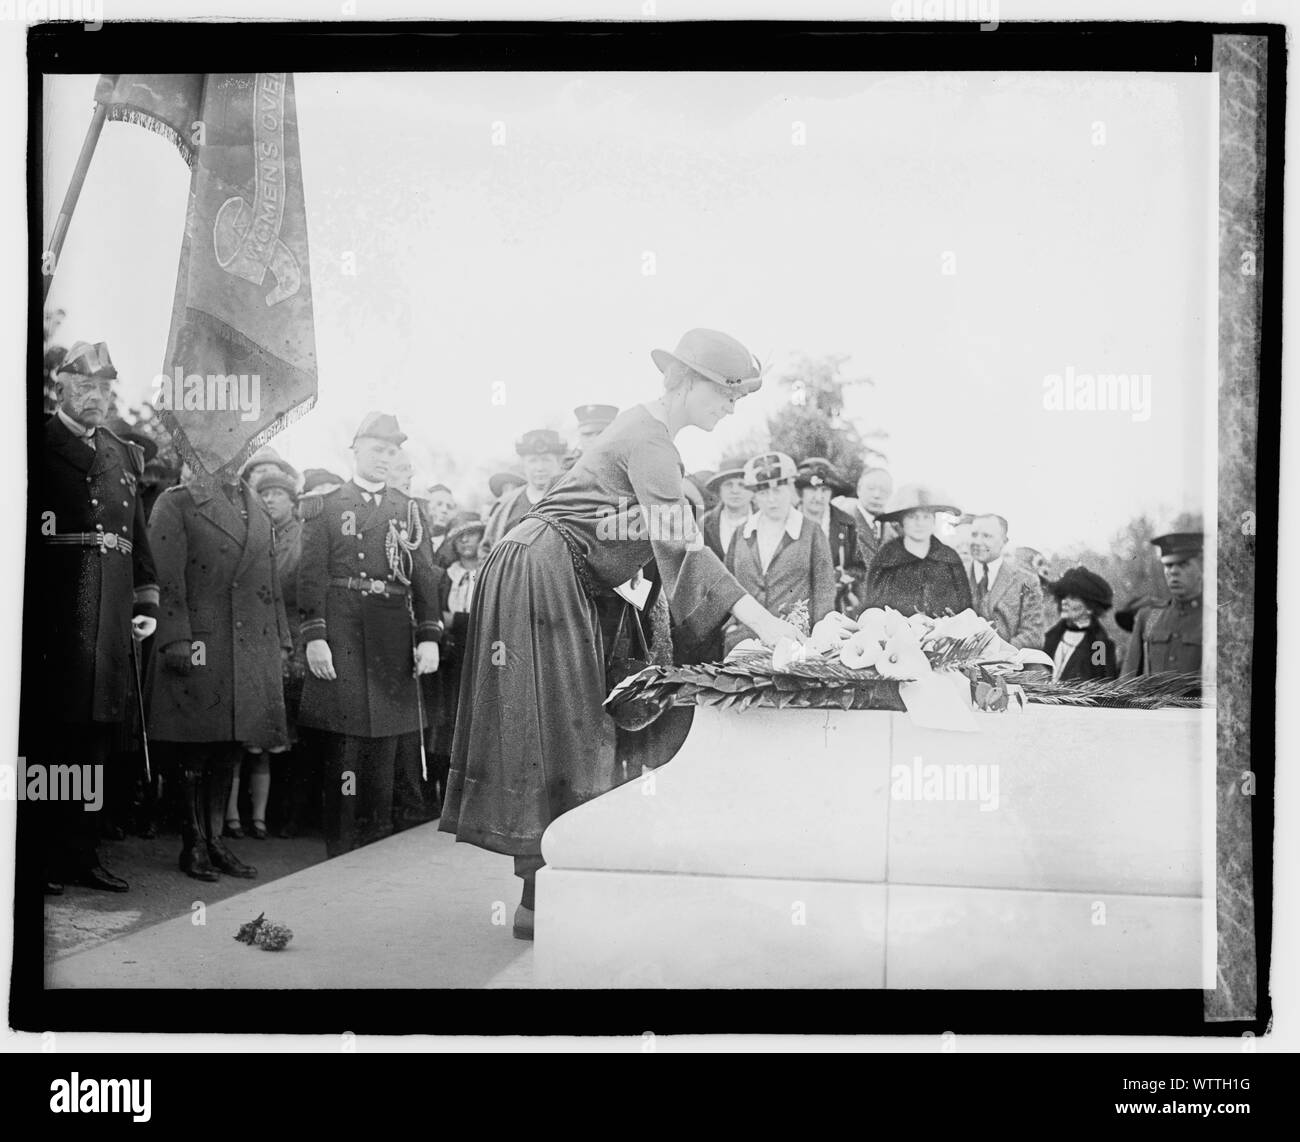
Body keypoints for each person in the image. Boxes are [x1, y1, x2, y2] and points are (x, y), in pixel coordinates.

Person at [440, 328, 804, 941]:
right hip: (543, 571)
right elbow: (683, 547)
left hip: (552, 571)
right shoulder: (650, 440)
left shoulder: (648, 437)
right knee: (561, 727)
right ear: (686, 382)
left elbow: (653, 542)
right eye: (726, 392)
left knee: (568, 726)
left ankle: (548, 891)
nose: (731, 405)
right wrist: (771, 627)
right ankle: (543, 898)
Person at [23, 341, 159, 894]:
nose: (96, 397)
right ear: (60, 387)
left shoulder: (124, 454)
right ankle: (40, 858)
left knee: (97, 740)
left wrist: (146, 601)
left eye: (104, 388)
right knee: (49, 739)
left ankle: (83, 853)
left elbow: (138, 538)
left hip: (109, 618)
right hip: (52, 613)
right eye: (85, 387)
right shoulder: (35, 439)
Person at [296, 413, 445, 858]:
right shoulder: (326, 506)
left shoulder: (409, 509)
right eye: (376, 449)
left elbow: (426, 579)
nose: (384, 458)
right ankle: (340, 850)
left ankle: (376, 845)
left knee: (387, 745)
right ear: (356, 449)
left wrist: (430, 636)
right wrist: (314, 636)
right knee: (346, 746)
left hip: (393, 633)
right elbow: (310, 576)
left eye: (391, 451)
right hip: (341, 630)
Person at [148, 461, 292, 882]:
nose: (230, 458)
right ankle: (193, 843)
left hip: (250, 645)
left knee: (229, 747)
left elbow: (270, 580)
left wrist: (280, 637)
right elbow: (166, 578)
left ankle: (215, 841)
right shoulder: (177, 503)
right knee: (194, 746)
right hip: (200, 641)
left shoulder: (256, 506)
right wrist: (174, 637)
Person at [224, 470, 306, 839]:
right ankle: (236, 815)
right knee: (243, 734)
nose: (270, 500)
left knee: (277, 735)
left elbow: (284, 578)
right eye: (265, 494)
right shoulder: (252, 530)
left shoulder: (298, 538)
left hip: (285, 637)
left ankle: (274, 816)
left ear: (292, 501)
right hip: (250, 636)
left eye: (278, 494)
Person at [722, 452, 836, 655]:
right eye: (763, 492)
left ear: (791, 488)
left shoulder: (811, 532)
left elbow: (824, 593)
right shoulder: (741, 533)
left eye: (778, 490)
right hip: (743, 645)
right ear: (754, 495)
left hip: (794, 645)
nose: (771, 499)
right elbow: (725, 584)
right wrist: (730, 627)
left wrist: (818, 643)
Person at [430, 511, 487, 814]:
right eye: (459, 536)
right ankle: (444, 795)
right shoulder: (445, 575)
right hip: (450, 658)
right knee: (448, 723)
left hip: (481, 655)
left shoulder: (492, 571)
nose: (466, 541)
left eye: (472, 534)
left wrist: (458, 620)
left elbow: (490, 616)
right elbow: (437, 615)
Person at [863, 484, 972, 617]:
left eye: (926, 517)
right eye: (912, 517)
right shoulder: (885, 559)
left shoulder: (949, 558)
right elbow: (873, 611)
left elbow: (965, 611)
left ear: (933, 521)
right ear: (902, 522)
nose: (920, 523)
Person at [1120, 531, 1204, 690]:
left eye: (1184, 564)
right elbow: (1126, 682)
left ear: (1202, 567)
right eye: (1168, 565)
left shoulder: (1217, 620)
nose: (1173, 571)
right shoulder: (1149, 616)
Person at [795, 458, 864, 616]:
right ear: (801, 491)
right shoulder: (786, 520)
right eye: (813, 490)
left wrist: (844, 575)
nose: (818, 497)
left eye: (824, 490)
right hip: (792, 602)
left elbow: (859, 567)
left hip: (834, 605)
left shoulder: (846, 524)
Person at [967, 513, 1045, 649]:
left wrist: (996, 653)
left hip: (1009, 664)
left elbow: (1033, 635)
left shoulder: (1026, 581)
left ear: (1004, 541)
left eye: (986, 536)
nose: (978, 542)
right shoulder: (955, 575)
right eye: (974, 535)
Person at [483, 429, 567, 548]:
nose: (540, 467)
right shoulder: (505, 505)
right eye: (533, 461)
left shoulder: (571, 498)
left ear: (558, 462)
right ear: (523, 464)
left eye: (546, 460)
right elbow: (486, 549)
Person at [1043, 567, 1120, 682]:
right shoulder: (1050, 637)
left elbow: (1102, 686)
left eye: (1073, 598)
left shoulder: (1098, 646)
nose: (1064, 601)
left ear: (1090, 607)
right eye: (1063, 596)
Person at [853, 466, 897, 583]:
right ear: (859, 490)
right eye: (871, 488)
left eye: (883, 490)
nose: (877, 495)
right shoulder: (843, 523)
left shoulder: (894, 531)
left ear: (890, 494)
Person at [698, 466, 751, 561]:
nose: (735, 491)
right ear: (719, 490)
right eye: (728, 484)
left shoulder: (765, 519)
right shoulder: (705, 524)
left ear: (752, 490)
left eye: (742, 485)